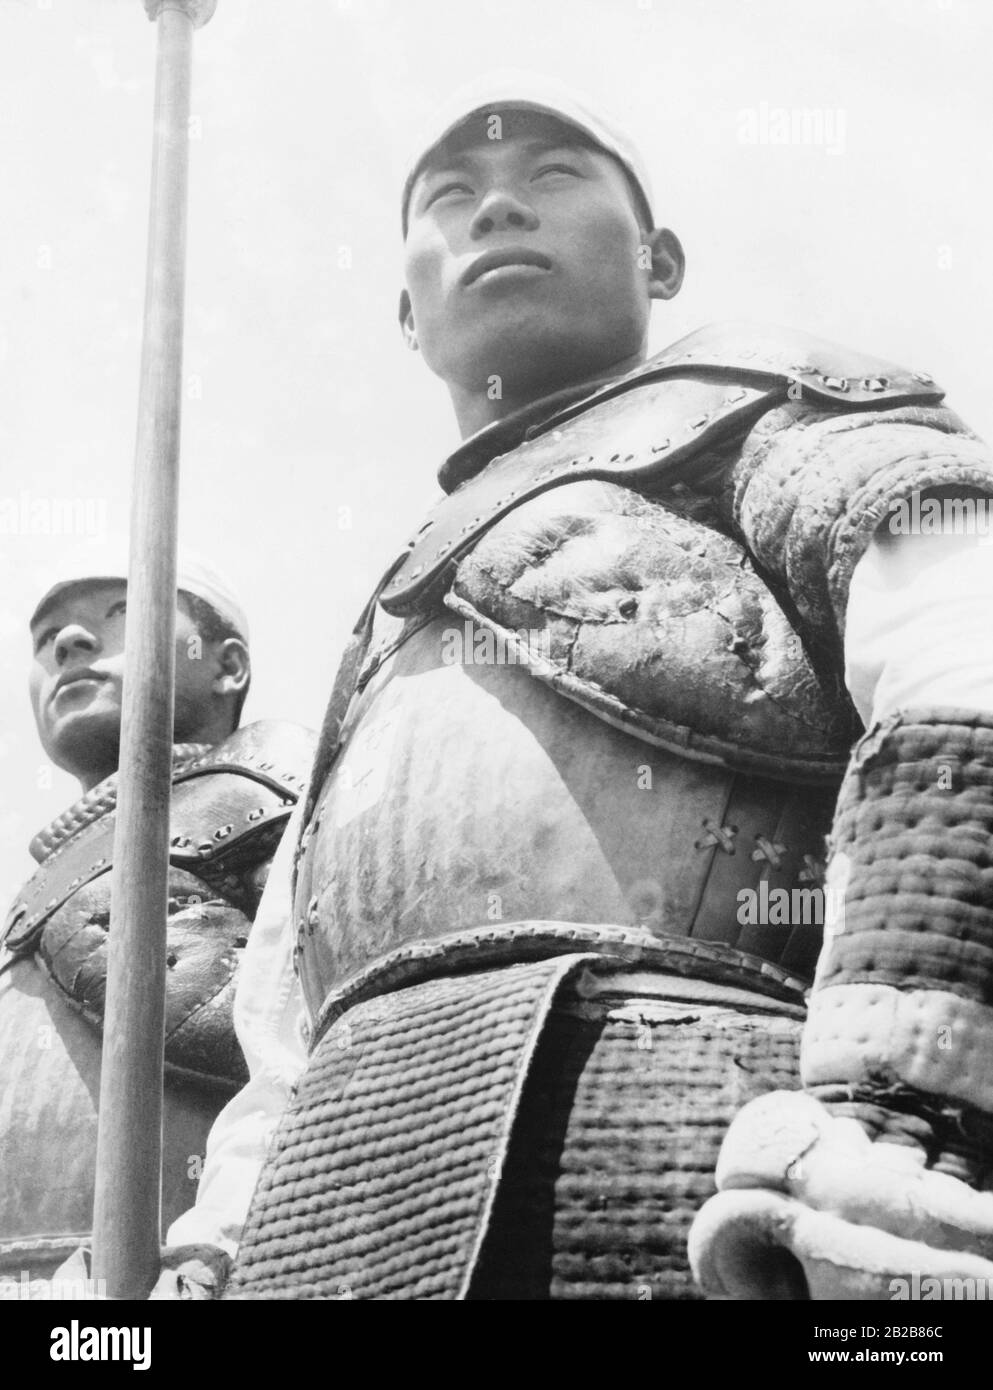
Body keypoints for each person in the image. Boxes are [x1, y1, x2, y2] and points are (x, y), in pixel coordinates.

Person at [163, 76, 993, 1300]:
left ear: (658, 259)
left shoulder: (782, 412)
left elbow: (961, 666)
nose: (498, 208)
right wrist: (215, 1247)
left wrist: (904, 1102)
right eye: (452, 197)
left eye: (552, 180)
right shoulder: (383, 617)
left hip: (700, 1150)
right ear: (407, 315)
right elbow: (289, 1005)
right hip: (328, 1212)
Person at [0, 550, 313, 1289]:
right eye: (47, 637)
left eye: (118, 614)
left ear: (227, 665)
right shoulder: (30, 901)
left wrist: (216, 1251)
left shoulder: (280, 805)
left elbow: (317, 1054)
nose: (67, 645)